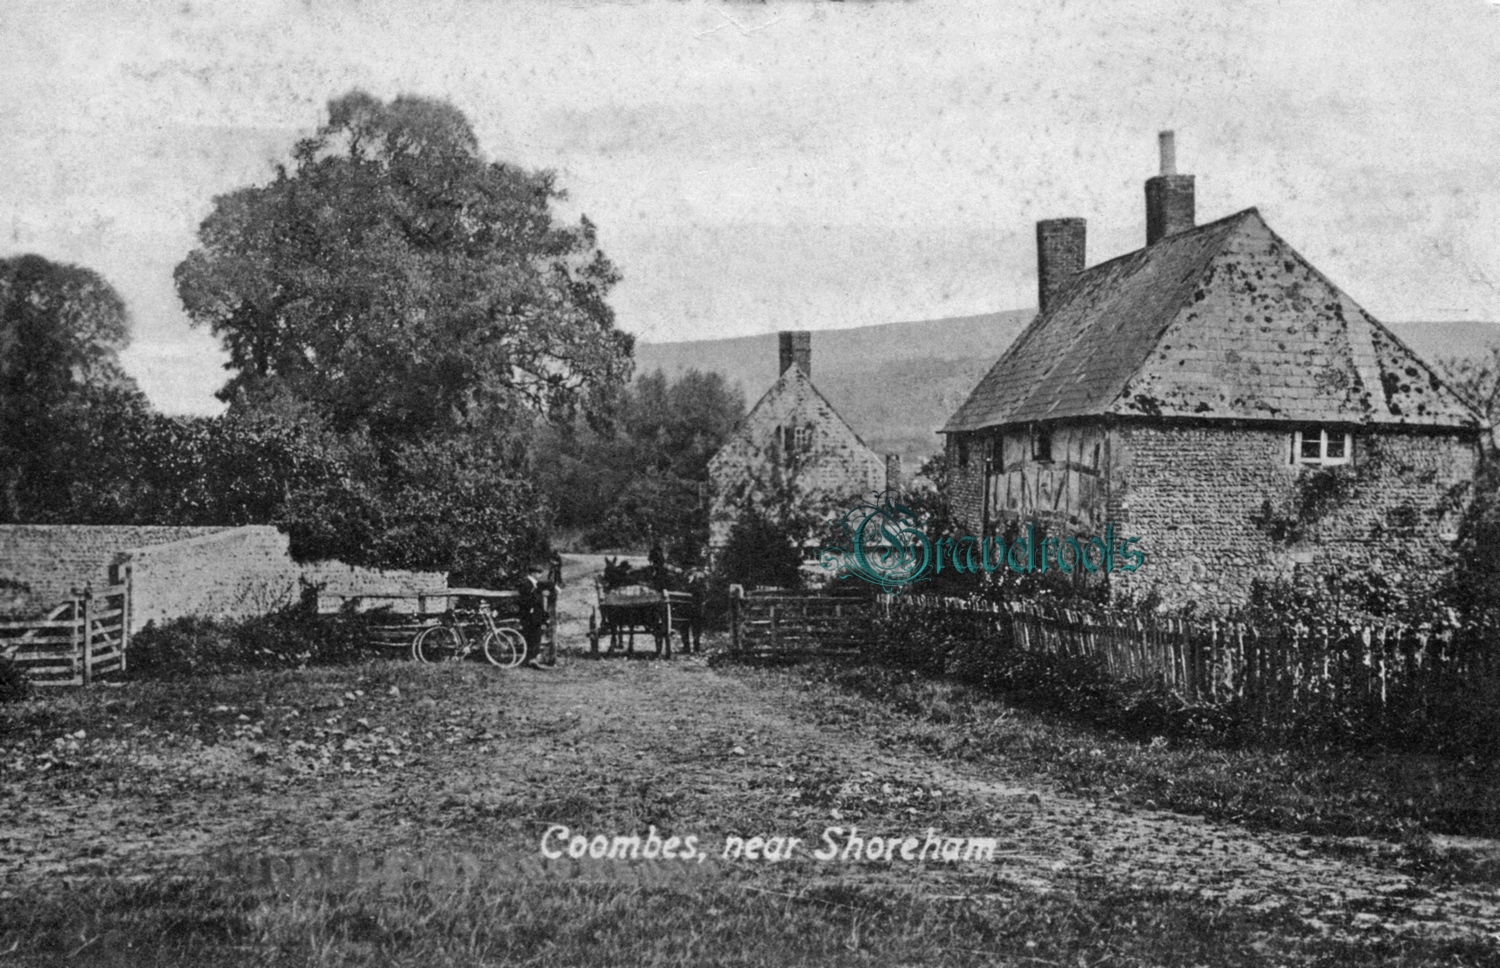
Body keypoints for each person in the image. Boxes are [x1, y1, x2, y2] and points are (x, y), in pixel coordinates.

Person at [517, 562, 552, 668]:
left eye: (540, 572)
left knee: (536, 635)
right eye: (538, 573)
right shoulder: (527, 584)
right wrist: (539, 595)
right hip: (530, 614)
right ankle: (531, 659)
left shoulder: (534, 584)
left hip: (536, 613)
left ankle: (532, 658)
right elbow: (526, 599)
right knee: (533, 635)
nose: (540, 575)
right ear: (532, 573)